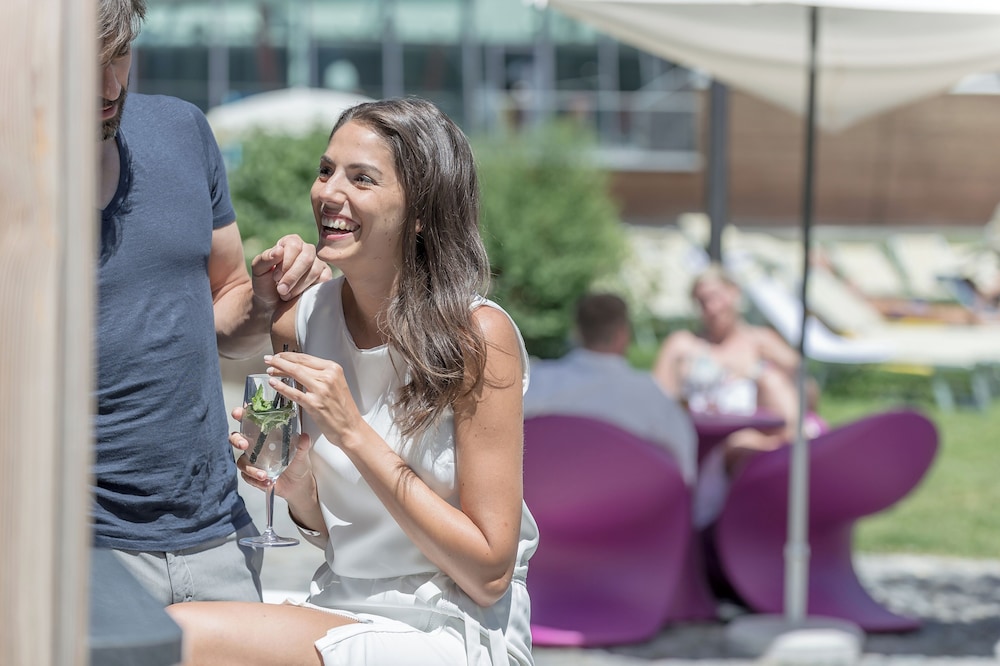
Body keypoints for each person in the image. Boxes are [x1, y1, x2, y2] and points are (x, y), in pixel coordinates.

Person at [165, 97, 538, 666]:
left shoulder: (479, 337)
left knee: (183, 635)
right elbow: (333, 531)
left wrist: (352, 430)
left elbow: (489, 572)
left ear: (421, 211)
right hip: (338, 601)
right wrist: (297, 488)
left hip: (450, 623)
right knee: (169, 626)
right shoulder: (299, 321)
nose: (327, 192)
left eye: (361, 178)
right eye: (325, 170)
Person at [96, 0, 332, 605]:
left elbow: (224, 307)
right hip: (81, 545)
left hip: (218, 532)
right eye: (86, 64)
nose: (109, 85)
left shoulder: (181, 129)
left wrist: (261, 300)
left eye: (120, 55)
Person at [524, 292, 697, 484]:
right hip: (631, 507)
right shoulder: (650, 393)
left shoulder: (536, 382)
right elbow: (684, 470)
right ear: (623, 334)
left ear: (577, 333)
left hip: (547, 502)